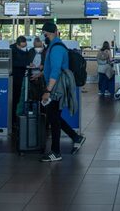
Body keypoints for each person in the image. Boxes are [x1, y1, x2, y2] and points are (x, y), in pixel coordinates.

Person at [40, 22, 85, 162]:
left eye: (44, 34)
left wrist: (48, 90)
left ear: (48, 33)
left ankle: (56, 152)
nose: (43, 37)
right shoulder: (53, 46)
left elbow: (56, 70)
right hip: (56, 85)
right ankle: (76, 137)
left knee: (53, 118)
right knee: (54, 116)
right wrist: (42, 73)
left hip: (56, 87)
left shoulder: (57, 48)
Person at [10, 35, 31, 124]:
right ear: (17, 44)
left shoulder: (24, 50)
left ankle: (15, 118)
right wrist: (25, 64)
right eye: (22, 47)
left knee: (18, 98)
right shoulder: (11, 50)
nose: (24, 48)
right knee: (14, 98)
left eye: (25, 46)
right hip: (15, 78)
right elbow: (13, 63)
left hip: (20, 77)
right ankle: (12, 119)